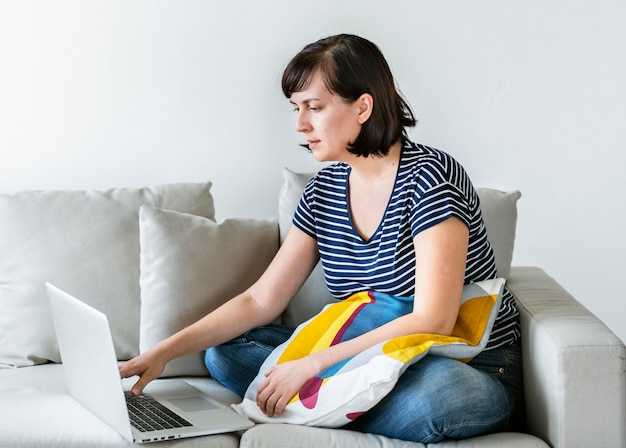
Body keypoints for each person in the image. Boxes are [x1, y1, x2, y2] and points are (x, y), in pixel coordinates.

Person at [120, 34, 523, 444]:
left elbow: (432, 320)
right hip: (368, 357)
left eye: (314, 107)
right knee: (225, 352)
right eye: (297, 108)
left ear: (363, 107)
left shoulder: (430, 177)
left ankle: (315, 404)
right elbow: (261, 301)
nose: (300, 124)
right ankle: (331, 403)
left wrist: (311, 365)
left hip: (461, 363)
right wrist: (163, 351)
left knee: (443, 396)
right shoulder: (323, 190)